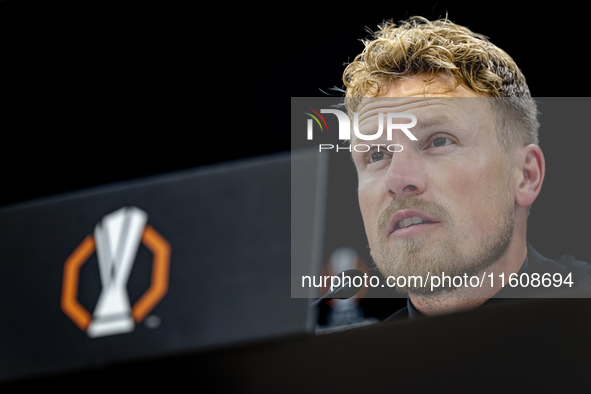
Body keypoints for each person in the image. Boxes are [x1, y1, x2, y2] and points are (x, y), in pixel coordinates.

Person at [342, 16, 591, 319]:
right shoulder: (350, 364)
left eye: (439, 141)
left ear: (526, 176)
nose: (397, 179)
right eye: (377, 155)